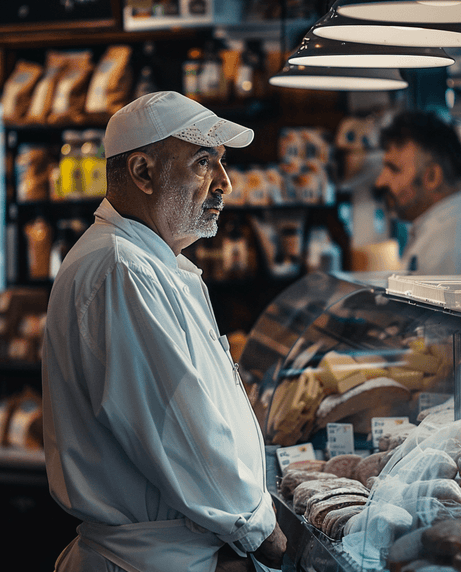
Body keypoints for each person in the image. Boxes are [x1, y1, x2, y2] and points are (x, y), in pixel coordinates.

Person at [41, 91, 287, 572]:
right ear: (142, 172)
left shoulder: (150, 263)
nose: (225, 184)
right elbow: (183, 430)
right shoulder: (121, 270)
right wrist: (262, 530)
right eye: (202, 163)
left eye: (221, 163)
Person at [374, 110, 461, 275]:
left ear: (432, 177)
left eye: (394, 169)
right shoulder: (450, 222)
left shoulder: (443, 244)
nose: (380, 181)